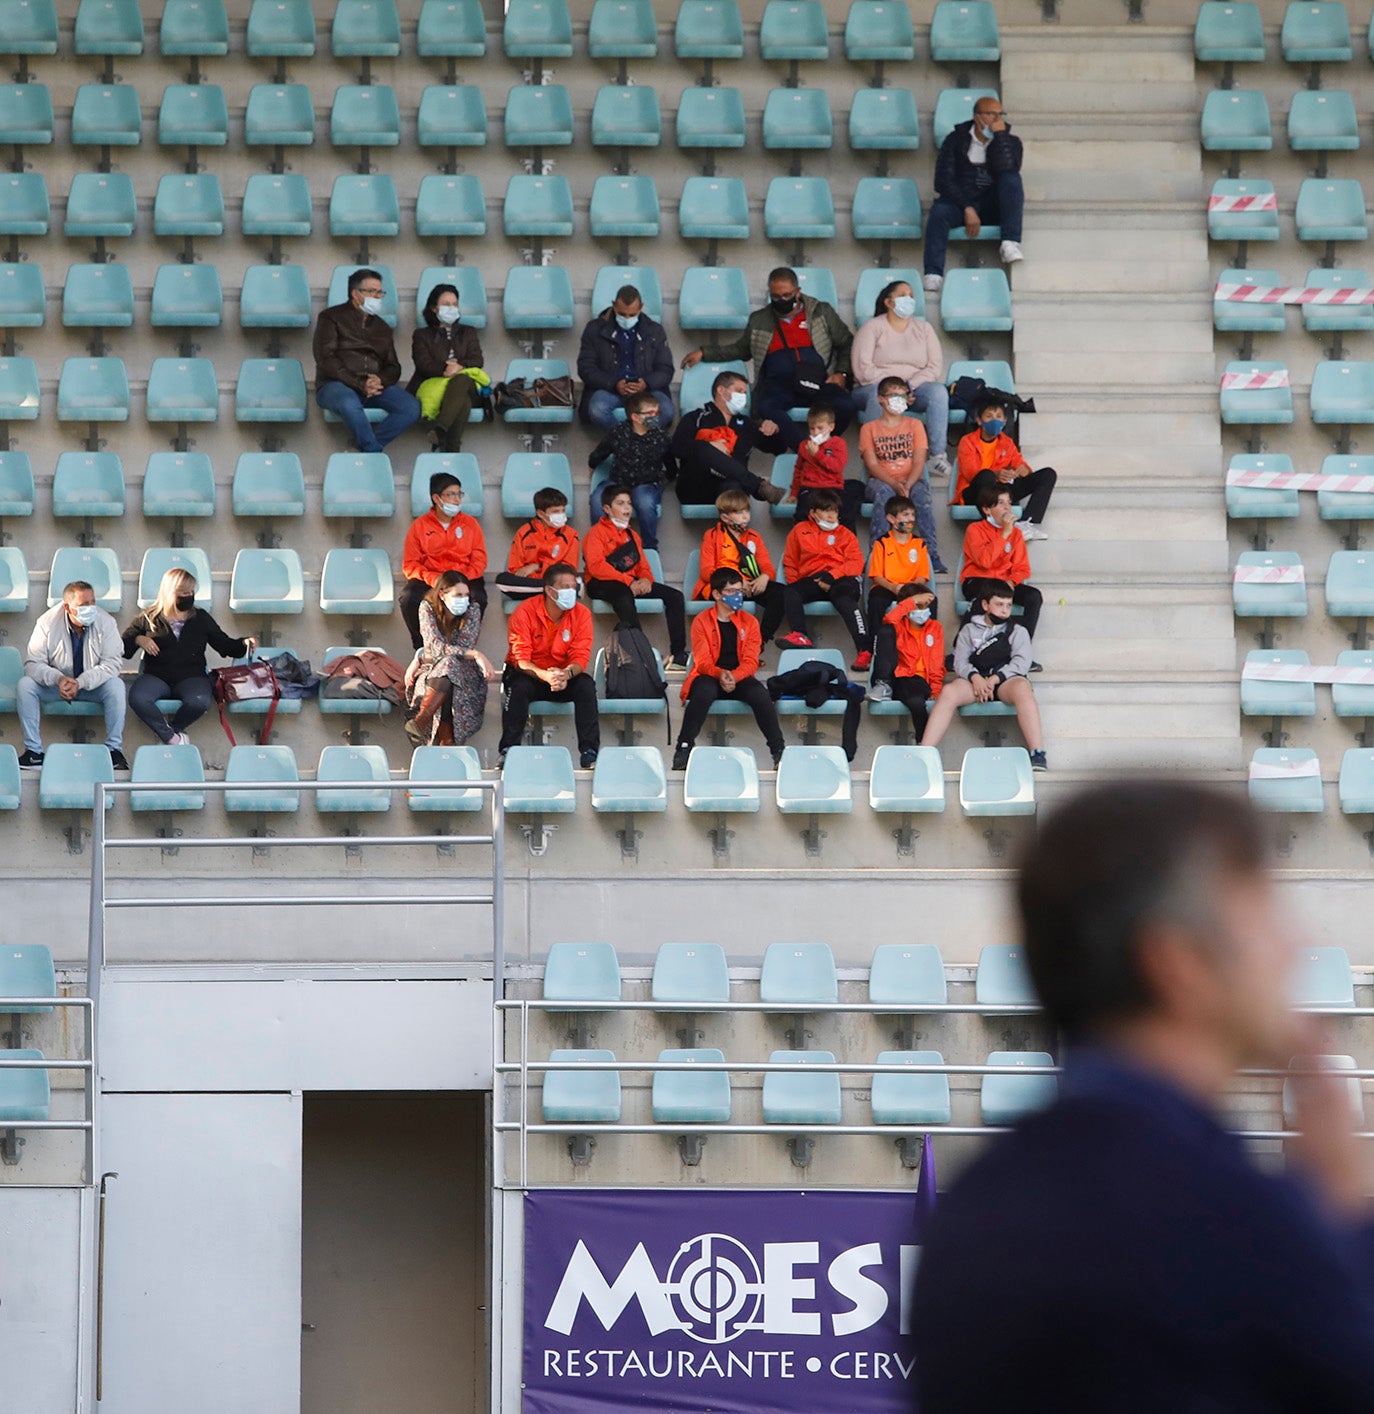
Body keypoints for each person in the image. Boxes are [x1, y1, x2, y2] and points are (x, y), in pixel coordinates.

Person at [913, 779, 1374, 1412]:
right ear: (1177, 963)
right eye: (1265, 913)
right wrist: (1346, 1209)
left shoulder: (977, 1205)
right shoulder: (1221, 1215)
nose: (1295, 947)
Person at [680, 267, 857, 440]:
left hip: (816, 382)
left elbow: (846, 342)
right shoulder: (759, 319)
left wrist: (841, 373)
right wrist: (704, 352)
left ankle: (824, 445)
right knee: (766, 407)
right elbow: (740, 349)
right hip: (779, 386)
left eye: (787, 295)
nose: (782, 300)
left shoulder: (821, 312)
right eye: (776, 296)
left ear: (797, 291)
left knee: (846, 405)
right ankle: (804, 450)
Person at [123, 568, 255, 745]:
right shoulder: (148, 617)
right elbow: (123, 646)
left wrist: (244, 643)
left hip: (192, 676)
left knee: (199, 701)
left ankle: (171, 732)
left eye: (191, 592)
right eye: (184, 593)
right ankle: (173, 738)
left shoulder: (200, 617)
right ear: (170, 593)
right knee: (138, 698)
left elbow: (223, 644)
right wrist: (140, 639)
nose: (189, 596)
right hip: (156, 675)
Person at [922, 581, 1045, 769]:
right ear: (986, 605)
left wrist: (995, 679)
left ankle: (1037, 753)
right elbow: (960, 662)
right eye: (999, 604)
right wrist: (975, 677)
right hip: (975, 682)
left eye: (1008, 605)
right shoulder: (969, 630)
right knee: (949, 691)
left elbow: (1021, 663)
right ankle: (925, 752)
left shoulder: (1018, 631)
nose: (1005, 610)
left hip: (1005, 683)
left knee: (1022, 687)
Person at [673, 569, 786, 772]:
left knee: (761, 695)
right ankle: (683, 748)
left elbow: (752, 661)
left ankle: (779, 752)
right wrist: (720, 674)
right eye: (732, 591)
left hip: (740, 675)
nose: (738, 596)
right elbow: (702, 660)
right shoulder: (701, 621)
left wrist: (734, 676)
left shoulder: (750, 622)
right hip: (709, 674)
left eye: (740, 591)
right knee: (703, 693)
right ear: (717, 594)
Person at [17, 581, 127, 770]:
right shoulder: (47, 622)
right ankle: (34, 753)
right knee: (25, 685)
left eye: (92, 602)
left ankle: (113, 751)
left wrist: (81, 682)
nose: (91, 608)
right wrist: (58, 679)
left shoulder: (106, 621)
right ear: (67, 607)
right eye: (84, 605)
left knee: (116, 685)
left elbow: (112, 664)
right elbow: (33, 664)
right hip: (57, 687)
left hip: (91, 686)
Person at [499, 564, 600, 769]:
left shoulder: (582, 614)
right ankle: (508, 751)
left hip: (563, 676)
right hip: (530, 674)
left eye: (573, 587)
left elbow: (581, 657)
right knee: (518, 686)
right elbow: (520, 659)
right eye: (565, 587)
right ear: (548, 590)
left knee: (586, 685)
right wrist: (544, 675)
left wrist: (566, 674)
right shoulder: (525, 611)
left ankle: (590, 752)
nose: (571, 592)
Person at [850, 278, 952, 479]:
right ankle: (875, 461)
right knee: (875, 395)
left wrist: (908, 388)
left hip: (913, 389)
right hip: (873, 387)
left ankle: (937, 457)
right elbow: (862, 369)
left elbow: (934, 367)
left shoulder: (924, 329)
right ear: (888, 302)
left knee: (938, 392)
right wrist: (894, 391)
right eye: (903, 295)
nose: (909, 299)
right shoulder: (872, 327)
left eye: (912, 296)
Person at [313, 267, 420, 452]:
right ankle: (372, 451)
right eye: (372, 291)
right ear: (355, 293)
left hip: (372, 387)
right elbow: (325, 359)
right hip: (336, 385)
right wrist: (359, 383)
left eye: (380, 292)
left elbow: (393, 367)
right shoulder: (331, 317)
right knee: (349, 402)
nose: (377, 296)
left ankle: (365, 449)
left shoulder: (382, 327)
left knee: (410, 407)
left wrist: (380, 380)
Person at [583, 485, 688, 673]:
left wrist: (646, 580)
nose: (627, 508)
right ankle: (643, 654)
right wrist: (628, 581)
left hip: (630, 582)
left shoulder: (632, 535)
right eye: (620, 503)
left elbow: (642, 565)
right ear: (607, 509)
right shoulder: (595, 533)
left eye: (629, 503)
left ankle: (679, 655)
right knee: (623, 595)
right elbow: (596, 566)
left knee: (675, 597)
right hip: (600, 583)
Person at [924, 95, 1024, 292]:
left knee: (1012, 180)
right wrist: (967, 207)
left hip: (992, 203)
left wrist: (1000, 137)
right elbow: (943, 181)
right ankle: (933, 273)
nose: (998, 119)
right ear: (977, 117)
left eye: (1000, 114)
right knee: (939, 211)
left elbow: (1008, 169)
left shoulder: (1011, 142)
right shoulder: (955, 140)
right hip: (962, 202)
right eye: (991, 114)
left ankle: (1010, 242)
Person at [778, 488, 871, 670]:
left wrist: (832, 575)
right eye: (826, 510)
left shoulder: (845, 534)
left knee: (844, 598)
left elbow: (856, 564)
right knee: (790, 591)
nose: (831, 516)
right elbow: (790, 562)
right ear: (813, 512)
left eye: (834, 511)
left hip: (842, 578)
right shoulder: (799, 531)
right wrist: (799, 583)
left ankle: (864, 651)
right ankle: (800, 635)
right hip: (813, 579)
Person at [859, 374, 945, 564]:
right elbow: (872, 465)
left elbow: (919, 461)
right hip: (881, 481)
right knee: (883, 494)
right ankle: (878, 555)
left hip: (912, 479)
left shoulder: (914, 425)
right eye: (893, 395)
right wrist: (894, 483)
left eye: (903, 395)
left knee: (922, 496)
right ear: (881, 399)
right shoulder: (869, 428)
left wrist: (908, 483)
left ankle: (931, 555)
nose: (899, 400)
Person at [669, 370, 786, 508]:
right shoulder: (695, 418)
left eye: (744, 393)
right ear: (721, 390)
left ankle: (734, 528)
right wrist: (709, 446)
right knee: (704, 447)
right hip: (696, 486)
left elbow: (779, 448)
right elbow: (677, 447)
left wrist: (775, 430)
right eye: (738, 391)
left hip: (732, 487)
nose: (743, 396)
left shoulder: (746, 424)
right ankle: (758, 486)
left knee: (733, 488)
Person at [405, 571, 496, 746]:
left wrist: (471, 653)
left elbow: (465, 644)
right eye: (458, 595)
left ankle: (421, 720)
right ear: (442, 594)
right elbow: (436, 647)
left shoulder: (473, 609)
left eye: (466, 595)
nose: (464, 599)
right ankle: (447, 740)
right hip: (431, 672)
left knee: (450, 665)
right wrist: (476, 654)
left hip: (465, 674)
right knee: (448, 666)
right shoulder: (427, 607)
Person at [400, 470, 488, 650]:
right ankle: (421, 647)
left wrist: (461, 580)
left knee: (479, 598)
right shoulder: (420, 526)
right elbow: (410, 564)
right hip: (432, 579)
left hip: (464, 577)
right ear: (436, 498)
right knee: (409, 598)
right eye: (451, 494)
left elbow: (479, 559)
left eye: (459, 494)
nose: (457, 499)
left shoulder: (470, 524)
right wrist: (433, 579)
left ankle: (465, 645)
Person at [953, 396, 1056, 540]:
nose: (994, 420)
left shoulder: (1007, 442)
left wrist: (1023, 470)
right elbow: (970, 473)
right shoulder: (968, 441)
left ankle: (1027, 524)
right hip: (974, 492)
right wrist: (996, 474)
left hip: (999, 491)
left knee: (1048, 474)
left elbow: (1020, 463)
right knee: (986, 475)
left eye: (998, 416)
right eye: (989, 416)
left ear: (1005, 421)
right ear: (979, 420)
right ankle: (994, 526)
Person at [576, 284, 675, 430]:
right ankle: (627, 442)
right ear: (614, 306)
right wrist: (613, 383)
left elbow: (665, 369)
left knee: (666, 410)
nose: (627, 318)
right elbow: (586, 368)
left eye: (632, 315)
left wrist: (645, 384)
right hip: (609, 389)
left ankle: (634, 443)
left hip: (646, 391)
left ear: (640, 307)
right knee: (597, 410)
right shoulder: (595, 329)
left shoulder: (654, 331)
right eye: (622, 314)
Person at [695, 489, 786, 643]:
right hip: (722, 585)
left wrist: (764, 577)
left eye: (747, 511)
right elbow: (706, 572)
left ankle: (760, 640)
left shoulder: (754, 537)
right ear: (725, 517)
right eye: (739, 512)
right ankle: (729, 646)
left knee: (782, 594)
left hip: (749, 585)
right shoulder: (711, 536)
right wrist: (736, 582)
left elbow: (767, 567)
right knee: (732, 598)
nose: (745, 516)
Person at [587, 389, 672, 550]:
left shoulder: (661, 436)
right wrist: (592, 464)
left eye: (656, 412)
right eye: (649, 413)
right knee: (598, 499)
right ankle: (601, 545)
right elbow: (601, 452)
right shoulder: (618, 432)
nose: (655, 417)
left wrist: (666, 478)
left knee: (645, 503)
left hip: (647, 483)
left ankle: (649, 548)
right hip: (618, 481)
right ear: (635, 417)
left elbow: (670, 462)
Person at [408, 281, 485, 453]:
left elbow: (477, 360)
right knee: (462, 401)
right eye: (446, 304)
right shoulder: (421, 335)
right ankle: (451, 451)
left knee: (462, 379)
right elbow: (423, 364)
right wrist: (445, 370)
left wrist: (460, 366)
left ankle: (440, 429)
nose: (452, 308)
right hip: (436, 386)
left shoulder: (468, 331)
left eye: (455, 304)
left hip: (466, 383)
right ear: (434, 308)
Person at [962, 484, 1042, 640]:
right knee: (988, 594)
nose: (1007, 508)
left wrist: (1012, 581)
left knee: (1034, 597)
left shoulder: (1016, 533)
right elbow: (984, 562)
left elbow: (1022, 567)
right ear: (987, 510)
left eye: (1009, 503)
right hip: (977, 581)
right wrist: (1004, 534)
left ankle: (1021, 646)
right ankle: (963, 646)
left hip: (1004, 583)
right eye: (1000, 503)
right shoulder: (975, 529)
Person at [866, 584, 943, 737]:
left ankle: (924, 743)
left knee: (915, 701)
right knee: (885, 631)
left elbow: (937, 660)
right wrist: (911, 601)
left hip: (920, 682)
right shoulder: (899, 626)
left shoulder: (935, 627)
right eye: (918, 605)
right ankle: (883, 684)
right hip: (900, 677)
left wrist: (935, 688)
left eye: (926, 606)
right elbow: (888, 619)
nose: (923, 610)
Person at [784, 404, 864, 530]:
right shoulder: (804, 445)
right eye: (812, 429)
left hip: (832, 488)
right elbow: (798, 470)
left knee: (844, 514)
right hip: (810, 488)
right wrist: (794, 493)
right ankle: (802, 546)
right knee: (803, 516)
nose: (815, 432)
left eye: (820, 428)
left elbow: (837, 467)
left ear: (831, 427)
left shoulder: (838, 443)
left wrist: (817, 454)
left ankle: (847, 546)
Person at [865, 494, 934, 635]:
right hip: (888, 588)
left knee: (931, 599)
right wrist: (894, 587)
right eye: (905, 514)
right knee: (876, 600)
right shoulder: (881, 543)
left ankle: (926, 643)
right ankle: (874, 646)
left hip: (911, 587)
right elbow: (877, 576)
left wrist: (911, 589)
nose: (910, 519)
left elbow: (922, 576)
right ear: (891, 519)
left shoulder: (919, 543)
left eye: (912, 515)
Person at [497, 487, 580, 600]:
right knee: (502, 579)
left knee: (566, 582)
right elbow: (515, 569)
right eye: (556, 511)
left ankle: (553, 590)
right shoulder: (524, 532)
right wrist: (534, 577)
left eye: (563, 510)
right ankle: (548, 591)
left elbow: (567, 570)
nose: (561, 515)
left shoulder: (571, 535)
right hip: (531, 584)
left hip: (556, 583)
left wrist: (537, 566)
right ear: (540, 513)